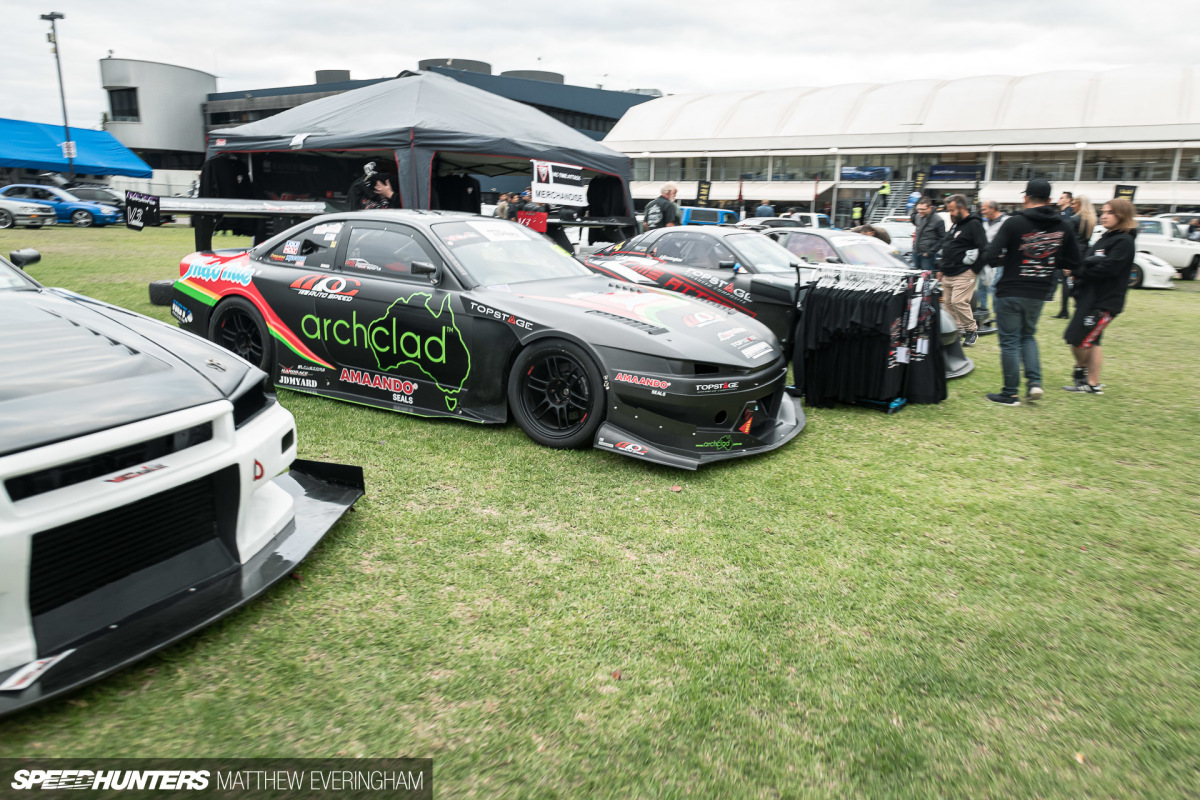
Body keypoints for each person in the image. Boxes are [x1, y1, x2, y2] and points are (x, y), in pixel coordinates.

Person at [980, 178, 1081, 406]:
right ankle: (1034, 383)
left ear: (1026, 198)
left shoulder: (1014, 223)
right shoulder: (1063, 225)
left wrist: (1009, 258)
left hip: (1011, 288)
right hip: (1039, 290)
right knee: (1028, 336)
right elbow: (1075, 261)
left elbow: (991, 256)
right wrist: (1050, 260)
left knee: (1009, 341)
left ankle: (1010, 393)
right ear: (1050, 200)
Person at [1062, 197, 1136, 395]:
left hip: (1105, 300)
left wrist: (1078, 271)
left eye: (1110, 212)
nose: (1104, 216)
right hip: (1090, 297)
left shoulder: (1124, 241)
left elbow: (1108, 268)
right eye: (1103, 212)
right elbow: (1090, 261)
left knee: (1078, 338)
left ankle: (1082, 373)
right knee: (1092, 341)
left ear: (1122, 215)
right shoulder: (1106, 237)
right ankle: (1092, 383)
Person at [937, 194, 988, 346]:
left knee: (958, 302)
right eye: (948, 210)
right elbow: (947, 247)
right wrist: (941, 269)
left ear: (962, 208)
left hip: (965, 272)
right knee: (948, 305)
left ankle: (971, 331)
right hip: (949, 272)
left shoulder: (974, 224)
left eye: (952, 210)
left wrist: (974, 270)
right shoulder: (955, 225)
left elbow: (984, 248)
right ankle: (955, 333)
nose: (950, 214)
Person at [1055, 194, 1097, 318]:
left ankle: (1064, 310)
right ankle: (1080, 307)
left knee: (1066, 282)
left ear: (1079, 204)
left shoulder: (1074, 220)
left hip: (1072, 254)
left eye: (1074, 203)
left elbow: (1067, 240)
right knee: (1079, 280)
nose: (1072, 206)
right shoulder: (1091, 220)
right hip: (1085, 252)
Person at [977, 199, 1008, 321]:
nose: (982, 212)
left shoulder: (1006, 221)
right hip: (984, 258)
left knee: (994, 287)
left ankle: (998, 313)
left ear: (993, 208)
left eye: (985, 209)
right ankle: (983, 309)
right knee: (982, 286)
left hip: (999, 260)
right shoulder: (984, 222)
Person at [911, 197, 946, 272]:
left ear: (930, 208)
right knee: (914, 276)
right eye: (918, 209)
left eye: (923, 209)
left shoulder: (938, 220)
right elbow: (913, 218)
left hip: (927, 256)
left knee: (926, 276)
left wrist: (930, 252)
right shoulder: (918, 216)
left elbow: (942, 239)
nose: (920, 211)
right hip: (916, 253)